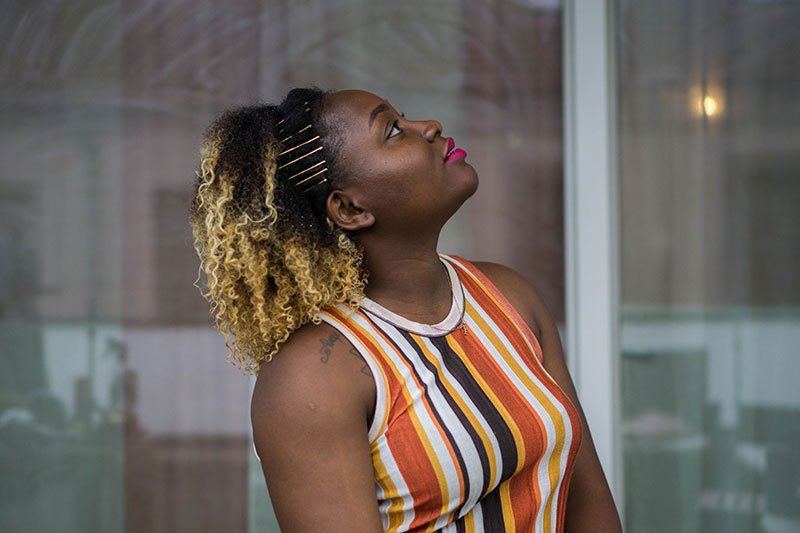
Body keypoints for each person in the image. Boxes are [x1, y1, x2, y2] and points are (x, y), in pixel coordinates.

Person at [190, 87, 621, 532]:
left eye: (405, 117)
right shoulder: (315, 375)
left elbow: (590, 504)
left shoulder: (508, 296)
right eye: (393, 130)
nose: (430, 127)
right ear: (351, 208)